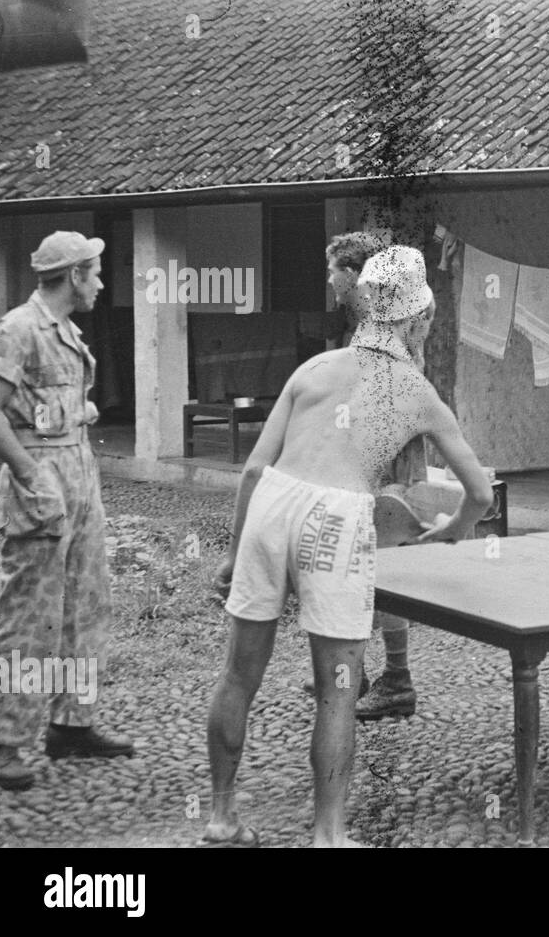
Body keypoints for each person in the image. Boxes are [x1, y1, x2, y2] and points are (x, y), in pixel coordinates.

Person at [203, 246, 492, 847]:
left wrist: (235, 554)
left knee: (237, 674)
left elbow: (254, 471)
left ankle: (221, 818)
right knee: (337, 691)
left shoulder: (313, 369)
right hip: (336, 515)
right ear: (418, 320)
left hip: (273, 503)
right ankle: (328, 835)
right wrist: (455, 529)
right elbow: (481, 493)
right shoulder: (417, 392)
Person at [0, 231, 134, 792]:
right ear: (74, 275)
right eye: (96, 273)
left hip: (79, 476)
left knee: (84, 606)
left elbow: (45, 404)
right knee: (29, 614)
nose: (101, 282)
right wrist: (31, 477)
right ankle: (3, 739)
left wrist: (79, 410)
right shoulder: (19, 328)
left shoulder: (67, 332)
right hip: (41, 482)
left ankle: (71, 724)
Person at [322, 232, 435, 719]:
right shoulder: (379, 321)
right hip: (377, 456)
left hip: (391, 459)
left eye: (333, 271)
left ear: (353, 275)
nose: (329, 279)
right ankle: (362, 672)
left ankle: (398, 679)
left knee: (383, 567)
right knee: (360, 565)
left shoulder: (387, 328)